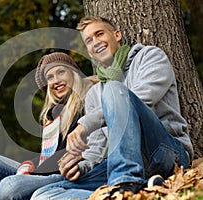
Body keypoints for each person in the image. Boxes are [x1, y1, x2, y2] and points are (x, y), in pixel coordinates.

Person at [30, 16, 194, 200]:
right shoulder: (94, 93)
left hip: (164, 151)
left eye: (99, 34)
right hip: (113, 164)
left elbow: (143, 97)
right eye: (89, 41)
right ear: (89, 52)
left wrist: (86, 124)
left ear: (117, 35)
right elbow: (96, 149)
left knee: (114, 90)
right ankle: (121, 193)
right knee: (43, 194)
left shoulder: (149, 56)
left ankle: (124, 185)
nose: (95, 42)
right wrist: (81, 166)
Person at [0, 52, 107, 200]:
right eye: (50, 77)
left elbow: (94, 149)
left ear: (74, 73)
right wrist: (30, 165)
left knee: (9, 187)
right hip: (44, 174)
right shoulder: (54, 114)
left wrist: (31, 171)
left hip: (70, 175)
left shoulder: (90, 97)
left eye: (61, 72)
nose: (56, 81)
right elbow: (49, 157)